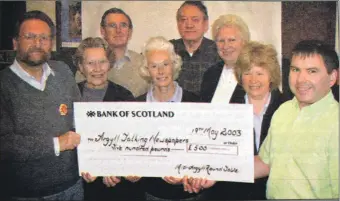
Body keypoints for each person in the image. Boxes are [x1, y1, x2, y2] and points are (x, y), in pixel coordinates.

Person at [0, 10, 83, 200]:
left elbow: (80, 118)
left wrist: (95, 162)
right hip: (25, 193)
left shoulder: (63, 72)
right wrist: (55, 143)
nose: (37, 44)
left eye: (44, 38)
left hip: (72, 187)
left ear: (51, 43)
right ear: (15, 42)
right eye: (30, 37)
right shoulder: (3, 84)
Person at [187, 41, 286, 200]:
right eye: (247, 73)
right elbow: (216, 153)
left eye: (260, 73)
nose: (253, 80)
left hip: (275, 192)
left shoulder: (286, 108)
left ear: (271, 76)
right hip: (233, 192)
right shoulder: (228, 109)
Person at [253, 40, 339, 199]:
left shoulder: (336, 123)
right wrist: (213, 172)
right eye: (295, 70)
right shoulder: (283, 111)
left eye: (312, 71)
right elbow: (265, 162)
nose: (300, 79)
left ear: (332, 77)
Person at [73, 37, 144, 200]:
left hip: (119, 184)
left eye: (102, 62)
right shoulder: (71, 96)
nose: (97, 69)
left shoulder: (125, 96)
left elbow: (136, 141)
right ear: (80, 67)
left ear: (109, 63)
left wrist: (119, 168)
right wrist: (83, 167)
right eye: (90, 63)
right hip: (81, 184)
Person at [136, 36, 207, 201]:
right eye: (154, 66)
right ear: (147, 70)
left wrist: (188, 173)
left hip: (188, 193)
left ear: (174, 65)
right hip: (151, 193)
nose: (161, 72)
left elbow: (204, 151)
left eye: (165, 64)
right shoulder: (136, 106)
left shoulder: (196, 103)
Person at [75, 8, 149, 97]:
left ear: (130, 32)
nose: (118, 31)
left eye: (123, 25)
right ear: (102, 31)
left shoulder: (145, 64)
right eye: (112, 25)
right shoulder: (85, 68)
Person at [170, 1, 221, 96]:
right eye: (183, 20)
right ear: (178, 24)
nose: (189, 25)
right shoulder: (167, 49)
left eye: (195, 20)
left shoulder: (219, 51)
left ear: (205, 24)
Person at [200, 14, 250, 103]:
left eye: (231, 40)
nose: (226, 46)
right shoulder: (210, 74)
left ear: (244, 42)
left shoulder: (254, 73)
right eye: (221, 41)